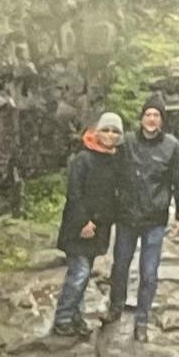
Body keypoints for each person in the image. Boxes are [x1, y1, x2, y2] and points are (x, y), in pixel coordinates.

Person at [108, 102, 179, 343]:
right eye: (148, 114)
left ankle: (142, 320)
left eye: (156, 115)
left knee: (149, 273)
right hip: (127, 216)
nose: (152, 119)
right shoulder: (127, 143)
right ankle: (115, 306)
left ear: (162, 120)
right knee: (120, 265)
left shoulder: (172, 147)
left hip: (154, 219)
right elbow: (111, 173)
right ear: (141, 118)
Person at [47, 112, 128, 341]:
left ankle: (75, 316)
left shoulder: (115, 159)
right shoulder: (83, 159)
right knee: (80, 273)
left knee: (81, 274)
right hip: (78, 227)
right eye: (106, 130)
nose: (110, 135)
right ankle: (63, 319)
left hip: (99, 228)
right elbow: (74, 193)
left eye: (115, 131)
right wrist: (83, 222)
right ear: (97, 131)